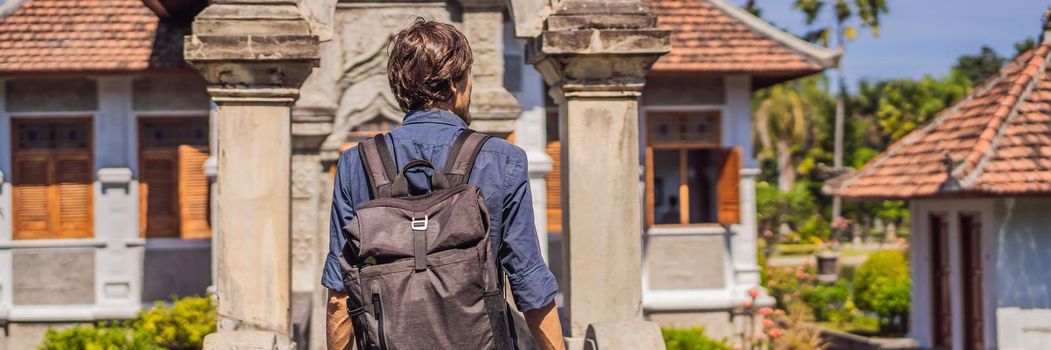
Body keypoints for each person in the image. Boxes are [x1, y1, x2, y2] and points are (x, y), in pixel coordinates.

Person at [322, 17, 564, 350]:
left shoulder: (356, 164)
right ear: (455, 85)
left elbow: (339, 297)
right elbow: (529, 281)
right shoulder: (500, 159)